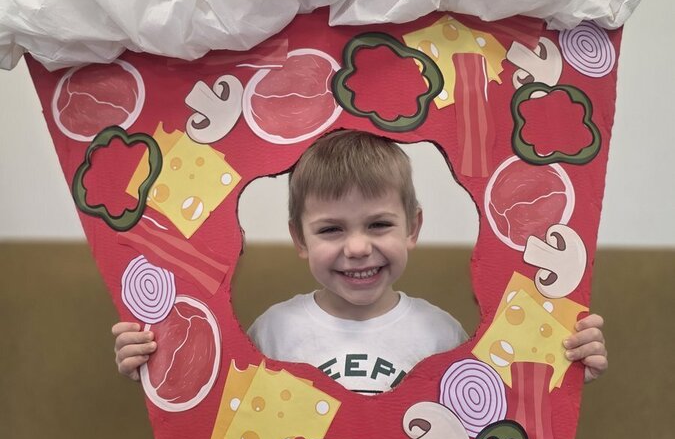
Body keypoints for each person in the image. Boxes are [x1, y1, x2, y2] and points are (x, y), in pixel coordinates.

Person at [113, 130, 608, 391]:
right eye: (331, 230)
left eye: (378, 225)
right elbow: (218, 409)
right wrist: (156, 359)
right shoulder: (274, 332)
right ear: (299, 239)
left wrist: (565, 367)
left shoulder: (441, 334)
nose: (356, 248)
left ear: (412, 228)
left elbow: (489, 410)